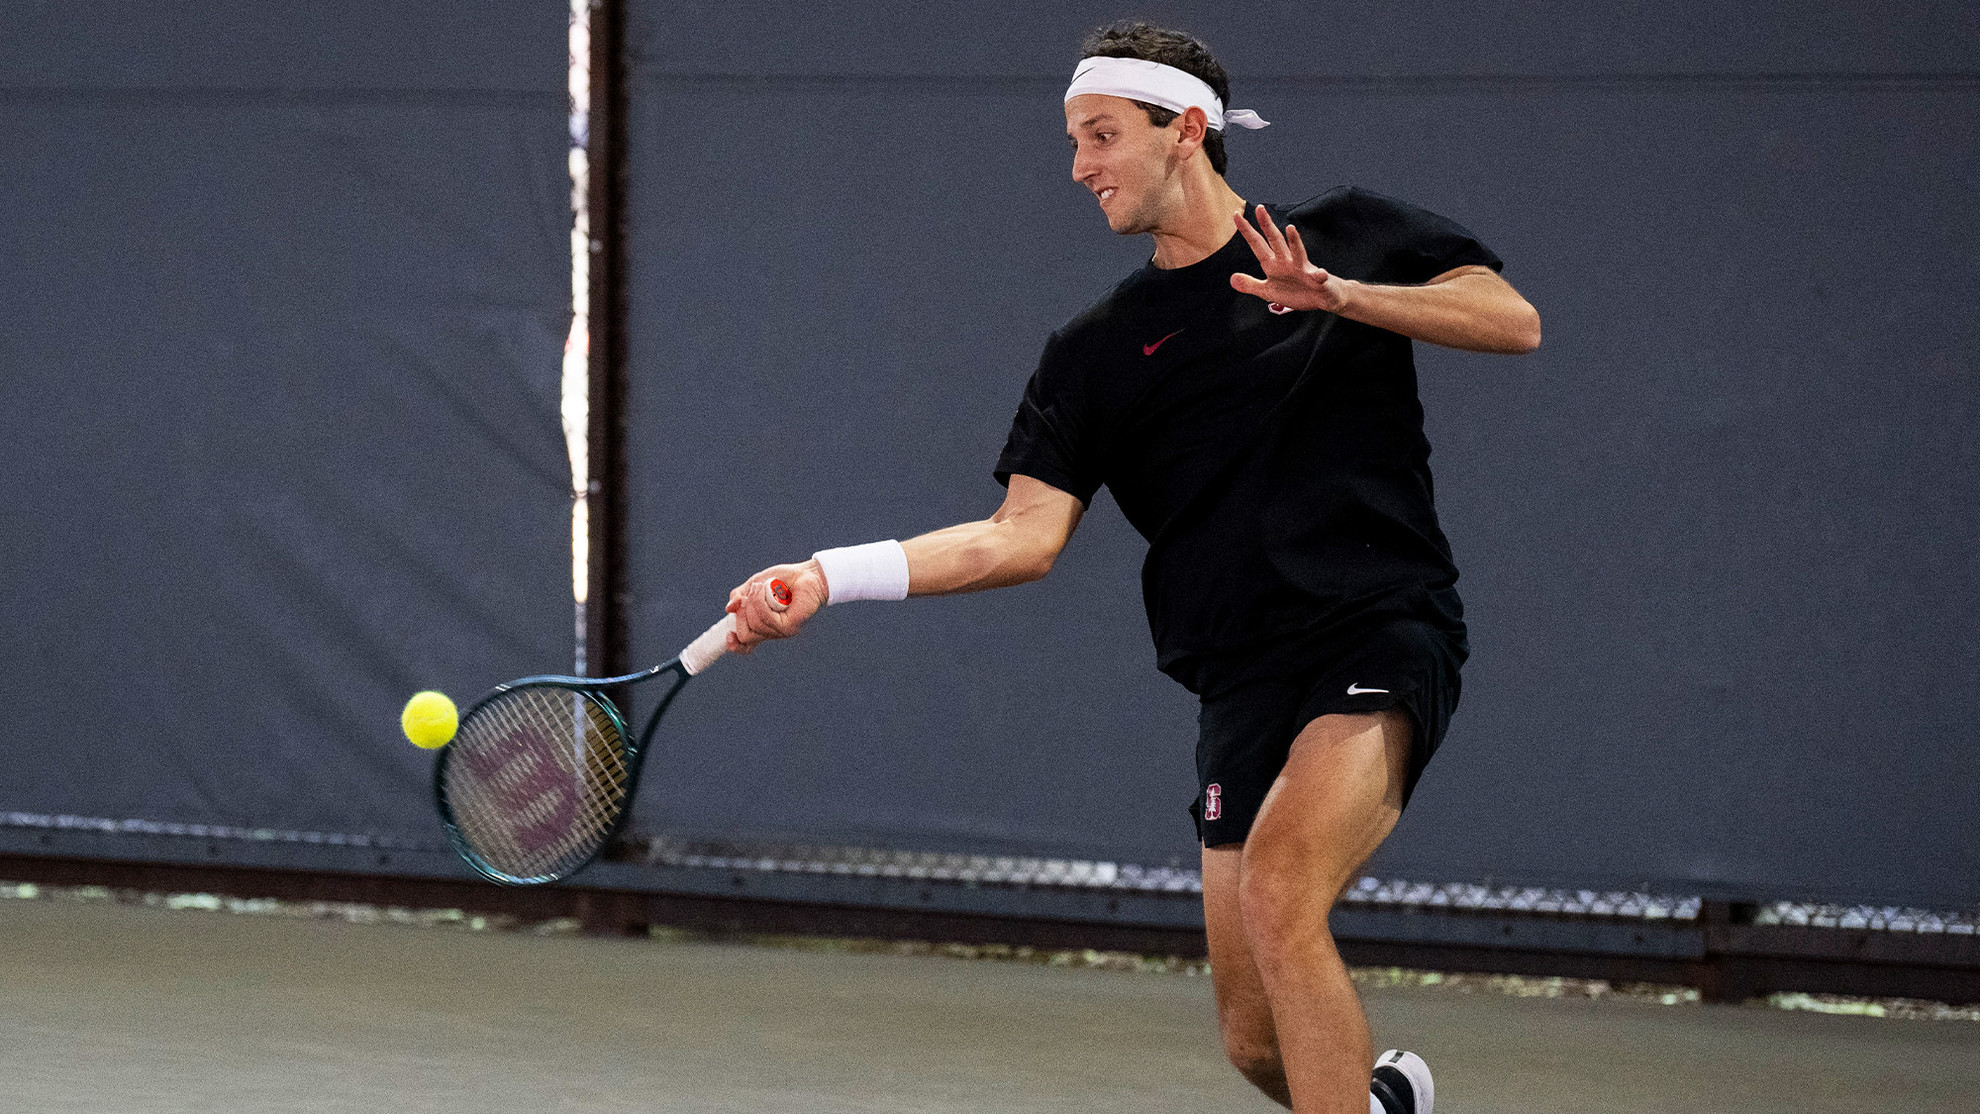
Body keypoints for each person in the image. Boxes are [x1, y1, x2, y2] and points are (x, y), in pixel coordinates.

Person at [721, 21, 1540, 1114]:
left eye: (1101, 135)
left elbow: (1512, 319)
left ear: (1184, 130)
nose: (1079, 166)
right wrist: (828, 573)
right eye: (1074, 140)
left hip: (1379, 625)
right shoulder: (1096, 351)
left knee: (1282, 890)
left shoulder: (1342, 232)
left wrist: (1345, 297)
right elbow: (1021, 536)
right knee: (1257, 1043)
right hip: (1237, 673)